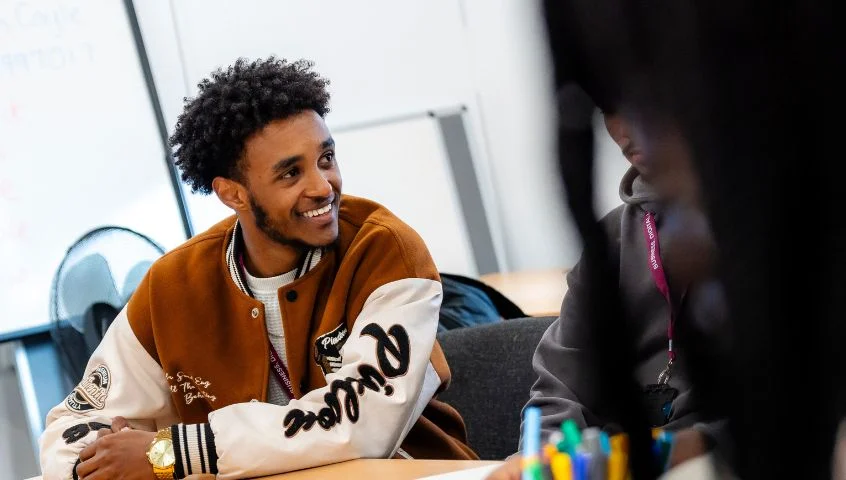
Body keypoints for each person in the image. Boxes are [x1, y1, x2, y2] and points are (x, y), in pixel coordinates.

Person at [40, 57, 477, 480]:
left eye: (326, 159)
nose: (323, 186)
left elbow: (361, 424)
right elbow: (74, 423)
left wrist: (171, 453)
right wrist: (94, 467)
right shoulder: (173, 284)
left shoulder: (384, 250)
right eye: (291, 173)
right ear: (233, 195)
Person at [486, 104, 725, 479]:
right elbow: (560, 380)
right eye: (609, 108)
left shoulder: (779, 219)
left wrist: (685, 450)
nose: (624, 129)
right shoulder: (610, 240)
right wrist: (545, 458)